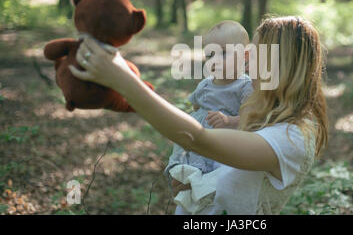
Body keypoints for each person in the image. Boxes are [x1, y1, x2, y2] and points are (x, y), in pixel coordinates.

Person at [69, 16, 328, 214]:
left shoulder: (290, 137)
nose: (246, 64)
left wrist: (125, 82)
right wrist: (192, 174)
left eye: (255, 56)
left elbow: (197, 138)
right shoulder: (261, 114)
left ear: (280, 64)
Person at [165, 20, 254, 214]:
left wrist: (230, 121)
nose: (215, 60)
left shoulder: (245, 85)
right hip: (197, 144)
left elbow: (250, 118)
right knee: (187, 190)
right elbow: (196, 108)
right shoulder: (205, 85)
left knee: (216, 187)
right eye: (210, 54)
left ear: (245, 56)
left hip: (224, 144)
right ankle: (186, 183)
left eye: (223, 52)